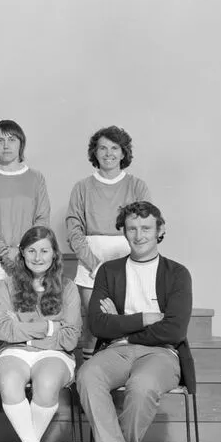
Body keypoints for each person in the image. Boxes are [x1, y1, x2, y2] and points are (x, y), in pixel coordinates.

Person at [75, 201, 193, 442]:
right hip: (118, 349)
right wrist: (142, 318)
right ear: (124, 232)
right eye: (132, 229)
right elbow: (99, 326)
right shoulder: (109, 271)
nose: (139, 235)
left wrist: (122, 322)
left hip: (163, 353)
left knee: (141, 385)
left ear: (160, 230)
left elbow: (174, 330)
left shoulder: (177, 274)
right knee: (88, 375)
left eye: (146, 228)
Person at [0, 120, 51, 410]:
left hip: (30, 261)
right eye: (0, 141)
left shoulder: (36, 178)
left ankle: (23, 380)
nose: (6, 146)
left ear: (21, 144)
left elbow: (42, 218)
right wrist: (6, 251)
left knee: (26, 318)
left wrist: (25, 252)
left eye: (12, 140)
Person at [0, 226, 81, 442]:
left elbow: (69, 338)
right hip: (14, 352)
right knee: (9, 382)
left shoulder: (68, 288)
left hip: (56, 354)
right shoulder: (9, 285)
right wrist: (49, 327)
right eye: (31, 250)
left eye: (44, 250)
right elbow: (3, 330)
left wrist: (22, 329)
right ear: (22, 253)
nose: (38, 256)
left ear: (54, 254)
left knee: (46, 384)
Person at [65, 126, 151, 360]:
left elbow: (145, 229)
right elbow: (74, 230)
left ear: (124, 153)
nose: (108, 153)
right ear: (95, 152)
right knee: (96, 326)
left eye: (115, 148)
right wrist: (94, 264)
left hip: (129, 260)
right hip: (91, 263)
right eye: (102, 147)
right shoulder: (82, 187)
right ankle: (90, 385)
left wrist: (131, 263)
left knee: (127, 323)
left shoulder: (137, 186)